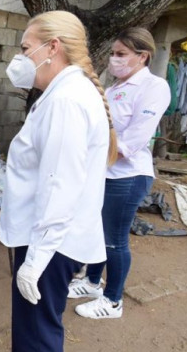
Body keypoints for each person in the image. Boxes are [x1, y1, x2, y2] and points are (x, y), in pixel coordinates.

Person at [0, 11, 117, 352]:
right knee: (29, 316)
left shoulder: (66, 99)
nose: (21, 57)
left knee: (42, 321)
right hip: (42, 233)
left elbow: (60, 186)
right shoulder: (62, 92)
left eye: (26, 48)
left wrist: (36, 260)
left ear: (52, 48)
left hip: (51, 239)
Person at [69, 28, 171, 320]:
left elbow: (132, 141)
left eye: (121, 54)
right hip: (104, 174)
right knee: (97, 234)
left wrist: (89, 153)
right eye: (113, 53)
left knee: (114, 239)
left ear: (143, 56)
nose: (114, 59)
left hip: (127, 177)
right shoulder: (112, 89)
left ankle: (113, 301)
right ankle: (91, 282)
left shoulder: (154, 87)